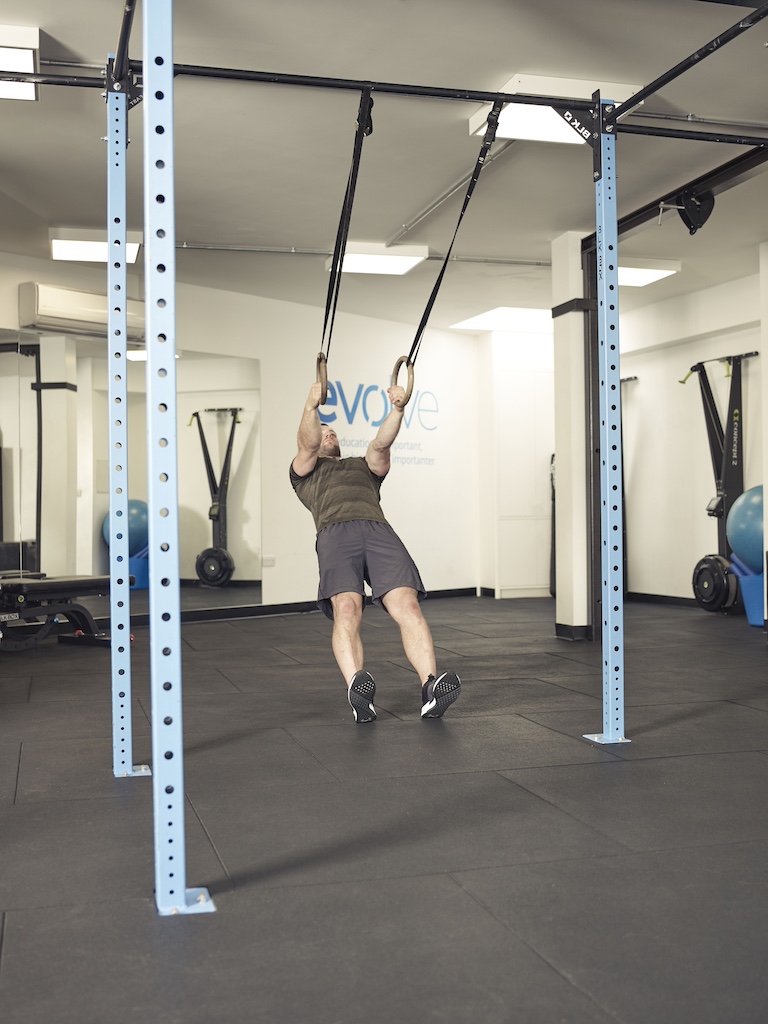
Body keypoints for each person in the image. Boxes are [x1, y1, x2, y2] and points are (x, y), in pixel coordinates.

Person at [290, 380, 461, 723]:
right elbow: (307, 444)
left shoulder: (361, 465)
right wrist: (311, 408)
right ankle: (358, 690)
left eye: (333, 432)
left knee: (408, 605)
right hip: (336, 535)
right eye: (324, 432)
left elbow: (381, 445)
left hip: (378, 530)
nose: (329, 435)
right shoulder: (305, 473)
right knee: (348, 610)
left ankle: (430, 689)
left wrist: (397, 409)